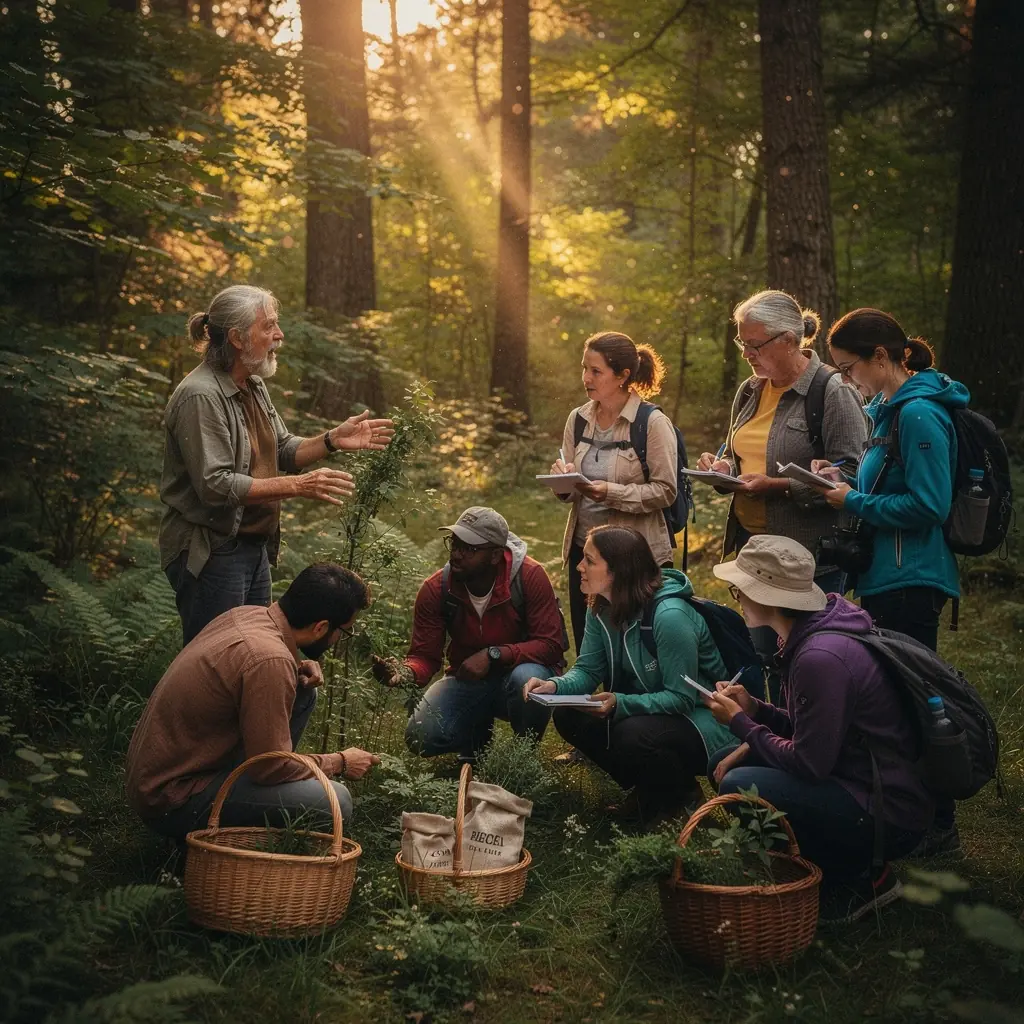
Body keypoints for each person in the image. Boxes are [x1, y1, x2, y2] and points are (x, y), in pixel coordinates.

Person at [706, 535, 933, 925]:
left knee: (738, 784)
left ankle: (858, 877)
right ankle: (813, 862)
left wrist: (742, 725)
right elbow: (814, 727)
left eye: (739, 589)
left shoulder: (819, 657)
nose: (737, 598)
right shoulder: (810, 633)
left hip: (887, 810)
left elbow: (811, 763)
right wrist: (756, 708)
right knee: (719, 763)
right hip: (858, 777)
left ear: (769, 595)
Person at [160, 284, 396, 644]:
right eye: (269, 326)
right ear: (238, 338)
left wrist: (333, 439)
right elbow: (216, 485)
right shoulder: (200, 396)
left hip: (253, 548)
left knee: (256, 650)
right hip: (213, 551)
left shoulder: (251, 383)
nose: (279, 335)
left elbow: (283, 449)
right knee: (220, 658)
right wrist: (299, 486)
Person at [817, 307, 969, 857]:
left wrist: (851, 500)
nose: (848, 380)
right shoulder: (886, 410)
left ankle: (939, 822)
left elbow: (930, 504)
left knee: (916, 700)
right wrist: (842, 479)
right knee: (892, 699)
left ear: (881, 357)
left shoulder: (921, 414)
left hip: (913, 578)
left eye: (849, 367)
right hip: (885, 575)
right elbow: (888, 479)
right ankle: (907, 809)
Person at [126, 563, 381, 840]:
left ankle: (254, 800)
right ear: (321, 627)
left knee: (305, 691)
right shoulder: (269, 660)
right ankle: (223, 837)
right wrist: (340, 762)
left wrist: (294, 667)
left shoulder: (248, 615)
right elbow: (270, 767)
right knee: (337, 802)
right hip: (173, 800)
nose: (340, 639)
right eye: (344, 632)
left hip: (160, 779)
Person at [695, 290, 868, 698]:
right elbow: (739, 451)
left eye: (754, 344)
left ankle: (813, 743)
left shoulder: (832, 391)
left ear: (788, 341)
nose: (747, 354)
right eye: (742, 343)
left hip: (808, 555)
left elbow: (854, 475)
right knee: (764, 655)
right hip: (754, 550)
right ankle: (776, 739)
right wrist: (722, 469)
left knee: (808, 658)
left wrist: (780, 486)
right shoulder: (750, 390)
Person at [524, 526, 735, 820]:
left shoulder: (669, 617)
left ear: (618, 570)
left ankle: (681, 795)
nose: (579, 567)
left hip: (704, 720)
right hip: (652, 710)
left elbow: (681, 698)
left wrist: (621, 704)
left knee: (629, 734)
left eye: (589, 560)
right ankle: (651, 789)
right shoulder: (600, 605)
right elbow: (587, 669)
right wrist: (554, 686)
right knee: (568, 715)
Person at [372, 507, 565, 761]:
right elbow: (425, 656)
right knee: (421, 736)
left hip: (523, 677)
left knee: (526, 676)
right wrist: (406, 672)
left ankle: (522, 757)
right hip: (468, 680)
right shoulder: (436, 589)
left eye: (470, 549)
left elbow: (551, 645)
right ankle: (476, 740)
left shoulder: (529, 577)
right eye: (455, 544)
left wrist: (494, 655)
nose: (457, 555)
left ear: (496, 555)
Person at [548, 331, 677, 656]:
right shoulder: (578, 420)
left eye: (596, 371)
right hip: (584, 552)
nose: (586, 378)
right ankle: (585, 706)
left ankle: (630, 706)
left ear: (622, 376)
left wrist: (611, 493)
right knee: (589, 647)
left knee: (635, 650)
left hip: (633, 557)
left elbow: (666, 491)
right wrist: (561, 484)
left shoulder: (652, 423)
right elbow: (571, 485)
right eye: (584, 368)